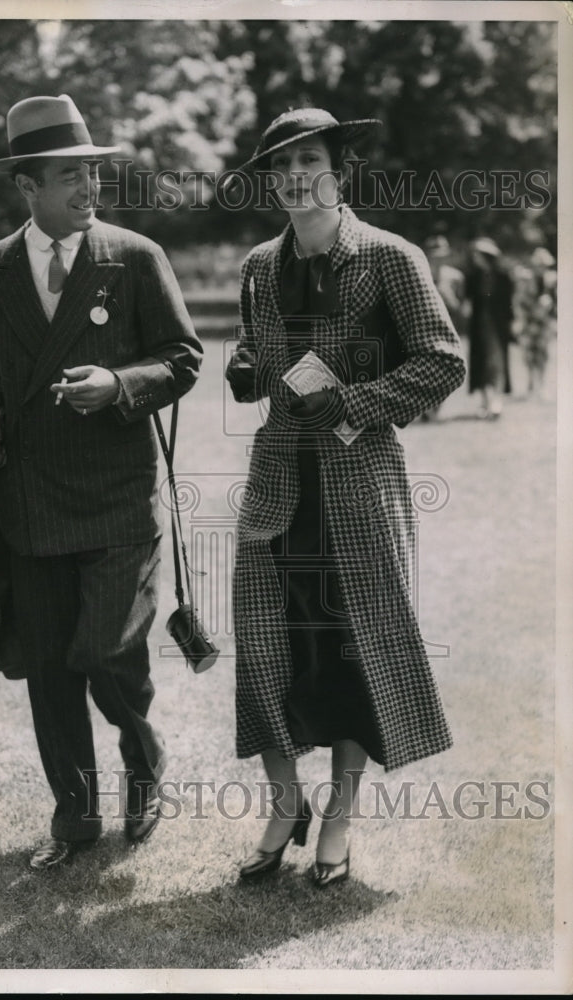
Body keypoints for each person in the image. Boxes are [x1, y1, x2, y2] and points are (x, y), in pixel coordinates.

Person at [0, 94, 203, 869]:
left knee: (105, 651)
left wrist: (121, 383)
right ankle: (72, 816)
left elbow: (184, 359)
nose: (87, 188)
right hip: (27, 501)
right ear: (26, 187)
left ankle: (144, 757)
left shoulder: (133, 257)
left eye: (91, 173)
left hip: (116, 498)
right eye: (68, 176)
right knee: (48, 665)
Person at [225, 107, 465, 887]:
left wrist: (356, 402)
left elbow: (442, 361)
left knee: (352, 651)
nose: (296, 178)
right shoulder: (260, 264)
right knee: (269, 644)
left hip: (358, 488)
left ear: (340, 171)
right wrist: (245, 368)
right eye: (281, 166)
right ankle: (284, 798)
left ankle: (339, 813)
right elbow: (258, 355)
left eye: (311, 162)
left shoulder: (390, 257)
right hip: (277, 486)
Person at [463, 237, 515, 419]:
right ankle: (485, 402)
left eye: (477, 254)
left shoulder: (503, 277)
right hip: (479, 326)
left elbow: (509, 303)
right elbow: (468, 303)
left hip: (498, 326)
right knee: (481, 364)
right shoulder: (473, 277)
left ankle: (497, 401)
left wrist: (512, 324)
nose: (474, 257)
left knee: (498, 364)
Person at [420, 234, 466, 421]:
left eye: (442, 254)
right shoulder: (418, 273)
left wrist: (449, 298)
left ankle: (436, 406)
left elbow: (460, 308)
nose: (438, 258)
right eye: (434, 254)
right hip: (423, 329)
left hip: (448, 330)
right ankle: (426, 407)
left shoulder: (456, 277)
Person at [514, 246, 556, 398]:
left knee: (543, 353)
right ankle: (531, 382)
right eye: (539, 264)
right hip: (529, 321)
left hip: (545, 322)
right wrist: (527, 315)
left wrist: (550, 305)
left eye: (544, 265)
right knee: (528, 353)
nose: (542, 268)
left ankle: (542, 383)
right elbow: (519, 302)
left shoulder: (551, 280)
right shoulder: (526, 280)